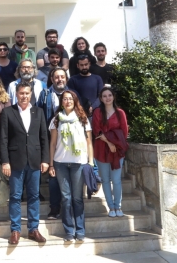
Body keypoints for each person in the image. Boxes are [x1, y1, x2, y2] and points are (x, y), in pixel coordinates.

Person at [0, 81, 49, 245]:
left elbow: (44, 137)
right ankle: (15, 230)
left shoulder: (39, 112)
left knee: (34, 196)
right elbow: (3, 139)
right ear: (16, 94)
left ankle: (33, 229)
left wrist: (45, 159)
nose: (24, 96)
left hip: (35, 161)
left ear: (31, 94)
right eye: (21, 93)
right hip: (15, 161)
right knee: (15, 196)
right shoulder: (8, 112)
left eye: (27, 93)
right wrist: (5, 161)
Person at [48, 90, 94, 242]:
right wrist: (51, 164)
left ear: (75, 101)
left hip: (78, 163)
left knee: (77, 198)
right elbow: (52, 143)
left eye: (70, 99)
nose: (67, 101)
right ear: (61, 102)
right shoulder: (56, 119)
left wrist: (91, 162)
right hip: (60, 163)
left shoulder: (83, 119)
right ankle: (69, 231)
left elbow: (89, 142)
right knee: (66, 198)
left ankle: (80, 231)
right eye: (65, 99)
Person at [37, 67, 69, 220]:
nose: (59, 79)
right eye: (56, 77)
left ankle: (69, 209)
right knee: (54, 176)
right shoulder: (45, 94)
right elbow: (39, 116)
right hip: (52, 141)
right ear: (52, 79)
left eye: (62, 77)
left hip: (70, 143)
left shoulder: (72, 95)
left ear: (66, 79)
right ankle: (54, 208)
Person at [92, 86, 129, 218]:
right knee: (105, 180)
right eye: (104, 96)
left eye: (109, 95)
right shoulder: (97, 112)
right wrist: (109, 143)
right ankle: (111, 207)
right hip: (102, 149)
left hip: (116, 151)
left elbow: (124, 132)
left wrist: (115, 145)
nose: (107, 98)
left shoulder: (120, 113)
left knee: (116, 180)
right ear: (101, 99)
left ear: (113, 97)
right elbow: (97, 131)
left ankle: (118, 206)